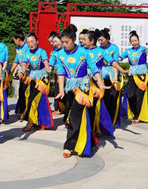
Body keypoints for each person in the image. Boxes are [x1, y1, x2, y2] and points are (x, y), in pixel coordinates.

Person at [55, 24, 103, 158]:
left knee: (75, 116)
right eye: (62, 42)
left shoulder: (83, 52)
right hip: (70, 89)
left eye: (67, 42)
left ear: (74, 39)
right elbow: (60, 73)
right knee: (77, 116)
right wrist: (61, 90)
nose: (64, 45)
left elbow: (94, 68)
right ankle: (88, 143)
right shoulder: (60, 54)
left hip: (83, 88)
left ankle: (69, 146)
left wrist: (100, 84)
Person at [81, 29, 127, 137]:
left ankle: (96, 128)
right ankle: (86, 127)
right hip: (84, 82)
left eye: (84, 39)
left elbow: (112, 62)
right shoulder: (82, 51)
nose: (82, 41)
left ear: (92, 41)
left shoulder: (102, 52)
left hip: (97, 83)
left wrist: (122, 70)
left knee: (96, 106)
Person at [19, 32, 53, 131]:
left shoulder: (42, 51)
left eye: (32, 41)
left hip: (42, 79)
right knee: (31, 99)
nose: (31, 44)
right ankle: (35, 121)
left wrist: (47, 67)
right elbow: (24, 63)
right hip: (33, 78)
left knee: (37, 100)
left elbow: (45, 61)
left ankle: (40, 123)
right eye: (28, 42)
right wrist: (22, 72)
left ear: (37, 41)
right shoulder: (27, 53)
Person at [120, 30, 148, 124]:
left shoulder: (142, 49)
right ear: (130, 42)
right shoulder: (128, 51)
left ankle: (138, 116)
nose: (134, 42)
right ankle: (134, 112)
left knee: (139, 96)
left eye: (136, 40)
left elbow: (147, 50)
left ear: (138, 40)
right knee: (130, 95)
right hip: (132, 75)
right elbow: (119, 58)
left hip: (142, 76)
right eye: (132, 41)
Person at [98, 28, 124, 126]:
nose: (100, 42)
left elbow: (115, 63)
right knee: (104, 99)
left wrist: (116, 78)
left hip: (112, 76)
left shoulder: (114, 48)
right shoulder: (98, 49)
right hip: (101, 76)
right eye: (99, 40)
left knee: (113, 99)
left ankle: (112, 120)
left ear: (107, 38)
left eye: (102, 40)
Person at [11, 30, 29, 115]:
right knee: (21, 91)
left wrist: (22, 71)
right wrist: (12, 70)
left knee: (26, 92)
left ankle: (26, 112)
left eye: (14, 40)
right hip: (21, 73)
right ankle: (22, 111)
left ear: (18, 39)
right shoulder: (18, 49)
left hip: (27, 73)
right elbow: (17, 60)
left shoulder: (27, 47)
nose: (14, 42)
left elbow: (27, 61)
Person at [48, 33, 65, 116]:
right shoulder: (55, 52)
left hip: (68, 75)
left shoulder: (67, 50)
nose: (54, 44)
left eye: (56, 41)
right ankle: (59, 108)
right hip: (58, 74)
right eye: (53, 42)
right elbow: (50, 64)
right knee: (58, 90)